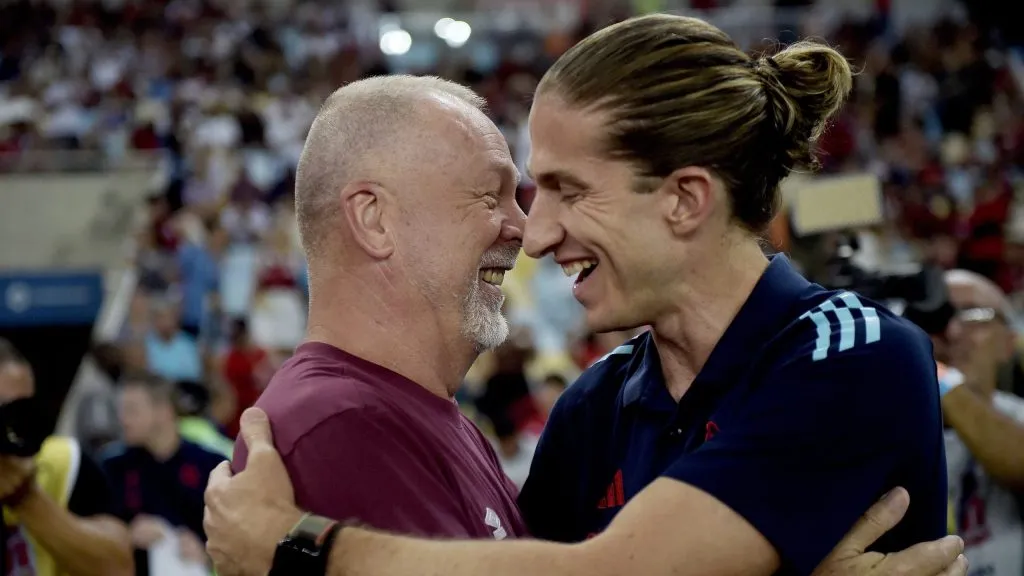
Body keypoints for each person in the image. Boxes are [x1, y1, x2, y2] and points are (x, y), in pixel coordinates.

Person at [207, 14, 960, 576]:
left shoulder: (852, 355)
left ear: (684, 200)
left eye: (567, 191)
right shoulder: (592, 409)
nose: (535, 234)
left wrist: (299, 543)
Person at [230, 74, 528, 540]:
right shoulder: (335, 427)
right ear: (374, 220)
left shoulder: (415, 413)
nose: (522, 227)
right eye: (490, 196)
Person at [0, 338, 133, 576]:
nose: (9, 429)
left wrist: (26, 498)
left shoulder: (62, 461)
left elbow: (118, 567)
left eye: (21, 412)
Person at [936, 270, 1024, 576]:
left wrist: (937, 376)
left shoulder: (1018, 416)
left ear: (1008, 344)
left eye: (974, 314)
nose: (953, 330)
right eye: (941, 315)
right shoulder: (895, 430)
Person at [100, 372, 225, 574]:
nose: (123, 420)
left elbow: (233, 535)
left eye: (131, 411)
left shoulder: (210, 465)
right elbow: (96, 530)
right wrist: (127, 533)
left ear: (163, 411)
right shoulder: (112, 466)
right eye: (121, 411)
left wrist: (205, 550)